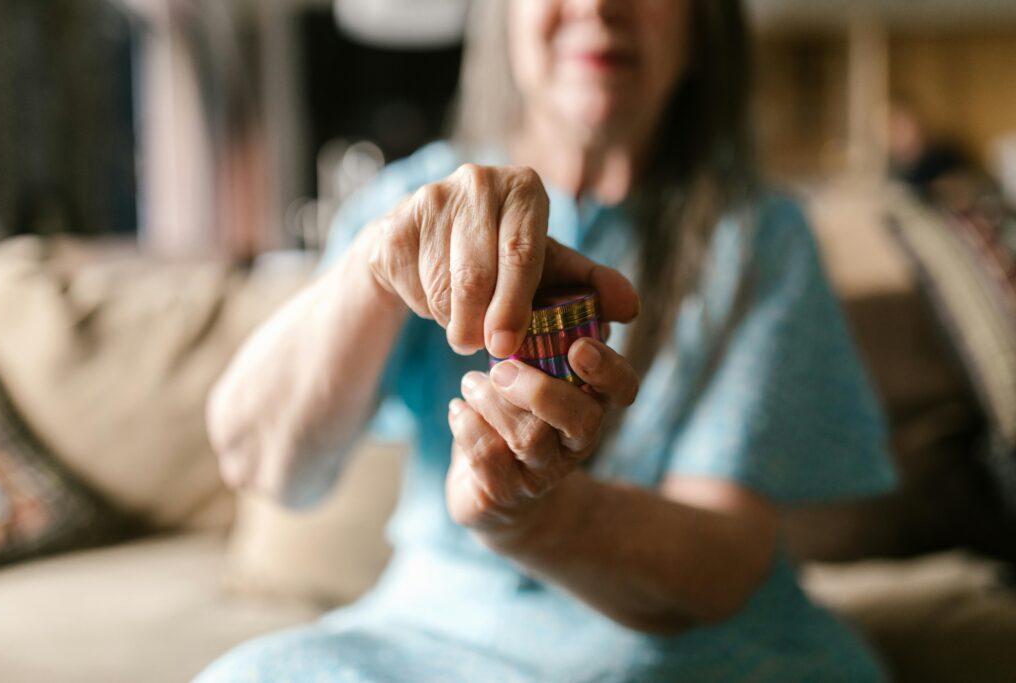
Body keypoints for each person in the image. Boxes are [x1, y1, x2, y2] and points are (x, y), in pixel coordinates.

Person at [197, 1, 896, 680]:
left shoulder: (761, 236)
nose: (599, 5)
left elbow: (720, 568)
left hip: (688, 651)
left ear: (702, 25)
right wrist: (374, 269)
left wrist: (531, 519)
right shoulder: (413, 201)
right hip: (434, 631)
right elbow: (258, 457)